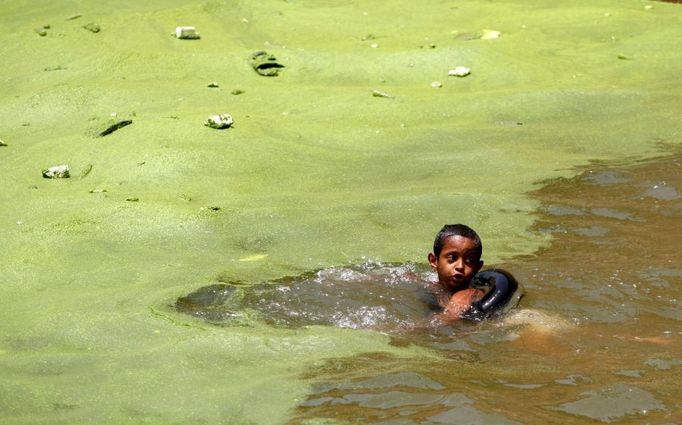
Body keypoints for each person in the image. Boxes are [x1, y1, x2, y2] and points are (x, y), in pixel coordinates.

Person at [426, 224, 486, 324]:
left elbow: (445, 319)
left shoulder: (466, 295)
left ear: (477, 267)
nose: (460, 266)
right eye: (452, 258)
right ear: (434, 261)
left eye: (469, 260)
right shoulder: (430, 286)